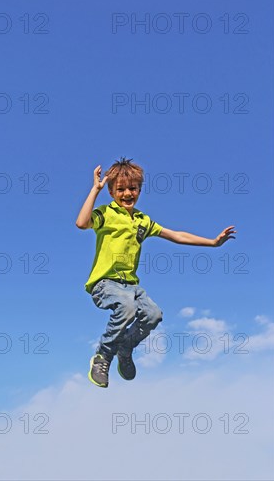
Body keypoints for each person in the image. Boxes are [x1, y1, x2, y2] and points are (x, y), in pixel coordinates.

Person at [76, 158, 236, 388]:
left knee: (153, 315)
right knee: (127, 308)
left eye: (133, 188)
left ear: (140, 190)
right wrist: (95, 190)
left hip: (130, 285)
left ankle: (126, 347)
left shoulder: (143, 220)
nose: (127, 193)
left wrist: (212, 243)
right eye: (120, 189)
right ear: (111, 192)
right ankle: (103, 355)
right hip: (105, 283)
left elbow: (176, 235)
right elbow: (82, 223)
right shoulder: (106, 213)